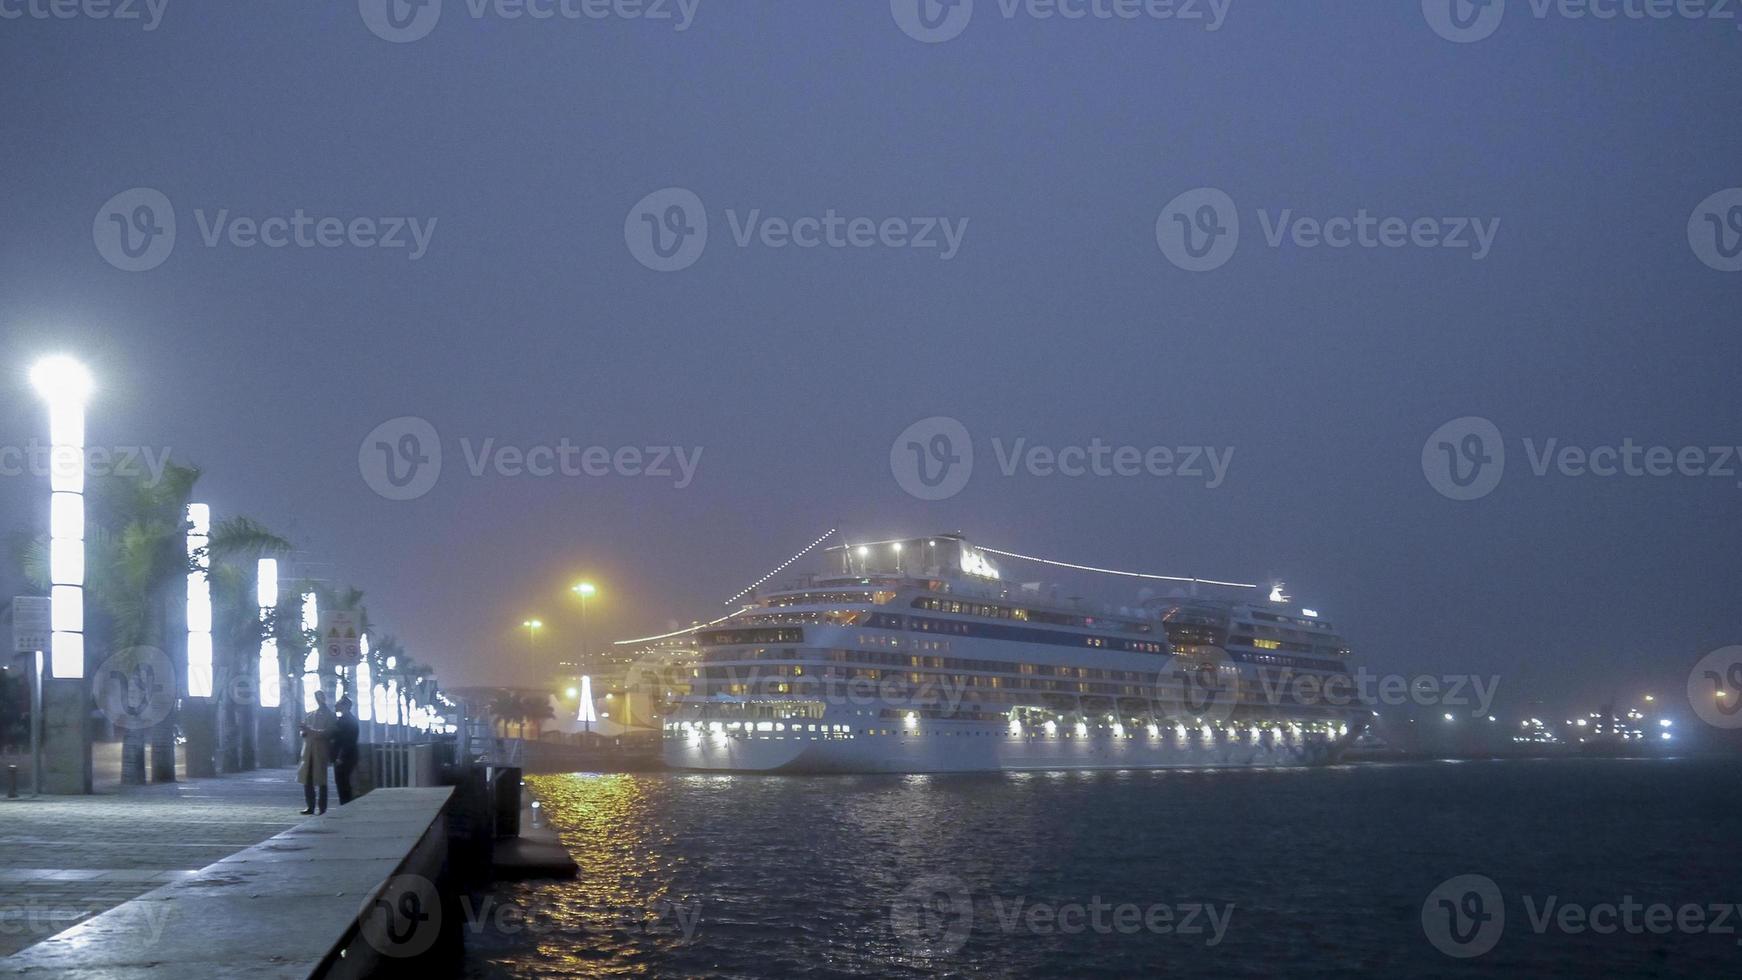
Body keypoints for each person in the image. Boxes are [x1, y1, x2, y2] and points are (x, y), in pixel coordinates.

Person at [297, 690, 335, 815]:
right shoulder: (311, 715)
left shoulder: (330, 716)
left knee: (321, 781)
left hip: (320, 751)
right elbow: (304, 731)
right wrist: (303, 731)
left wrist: (310, 731)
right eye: (316, 698)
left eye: (320, 697)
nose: (318, 700)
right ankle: (310, 806)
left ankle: (322, 808)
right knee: (307, 780)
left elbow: (327, 733)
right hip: (308, 751)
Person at [332, 695, 360, 805]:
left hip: (344, 757)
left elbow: (348, 741)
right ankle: (345, 804)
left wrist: (340, 757)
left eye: (339, 703)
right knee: (343, 783)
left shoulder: (347, 721)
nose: (336, 705)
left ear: (345, 706)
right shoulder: (346, 719)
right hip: (345, 756)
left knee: (343, 783)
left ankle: (345, 805)